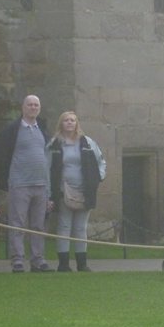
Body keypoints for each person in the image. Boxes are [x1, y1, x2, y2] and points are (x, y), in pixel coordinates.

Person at [0, 94, 54, 273]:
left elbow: (47, 157)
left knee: (38, 225)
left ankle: (38, 260)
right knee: (17, 223)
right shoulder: (13, 129)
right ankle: (17, 260)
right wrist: (9, 175)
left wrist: (48, 188)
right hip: (20, 184)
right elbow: (0, 151)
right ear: (23, 108)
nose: (33, 108)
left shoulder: (42, 129)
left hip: (41, 184)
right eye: (30, 105)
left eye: (36, 105)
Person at [46, 111, 107, 272]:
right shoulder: (54, 144)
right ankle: (64, 263)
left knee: (81, 228)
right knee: (64, 226)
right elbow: (47, 167)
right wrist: (49, 191)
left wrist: (97, 178)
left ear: (77, 123)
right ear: (61, 123)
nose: (70, 123)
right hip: (63, 190)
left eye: (73, 120)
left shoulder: (87, 142)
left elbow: (101, 162)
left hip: (84, 190)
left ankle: (82, 263)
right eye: (66, 120)